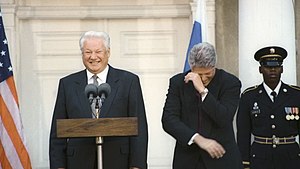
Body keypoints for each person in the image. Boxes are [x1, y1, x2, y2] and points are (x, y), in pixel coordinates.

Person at [49, 31, 148, 169]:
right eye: (88, 52)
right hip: (78, 162)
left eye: (98, 51)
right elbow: (57, 130)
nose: (93, 57)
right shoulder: (67, 84)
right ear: (82, 54)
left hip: (118, 161)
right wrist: (58, 166)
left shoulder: (129, 81)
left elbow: (139, 127)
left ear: (108, 52)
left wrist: (137, 165)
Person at [161, 42, 243, 169]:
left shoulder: (230, 82)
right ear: (191, 67)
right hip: (187, 160)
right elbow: (169, 120)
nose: (203, 79)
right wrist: (197, 138)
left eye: (208, 74)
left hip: (222, 160)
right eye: (199, 74)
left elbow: (224, 118)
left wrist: (203, 92)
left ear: (214, 66)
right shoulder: (177, 82)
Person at [236, 46, 300, 169]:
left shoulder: (296, 95)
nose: (272, 70)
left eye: (276, 66)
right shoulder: (249, 96)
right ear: (260, 69)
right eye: (268, 67)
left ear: (282, 69)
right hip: (260, 159)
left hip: (291, 159)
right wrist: (244, 163)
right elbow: (243, 134)